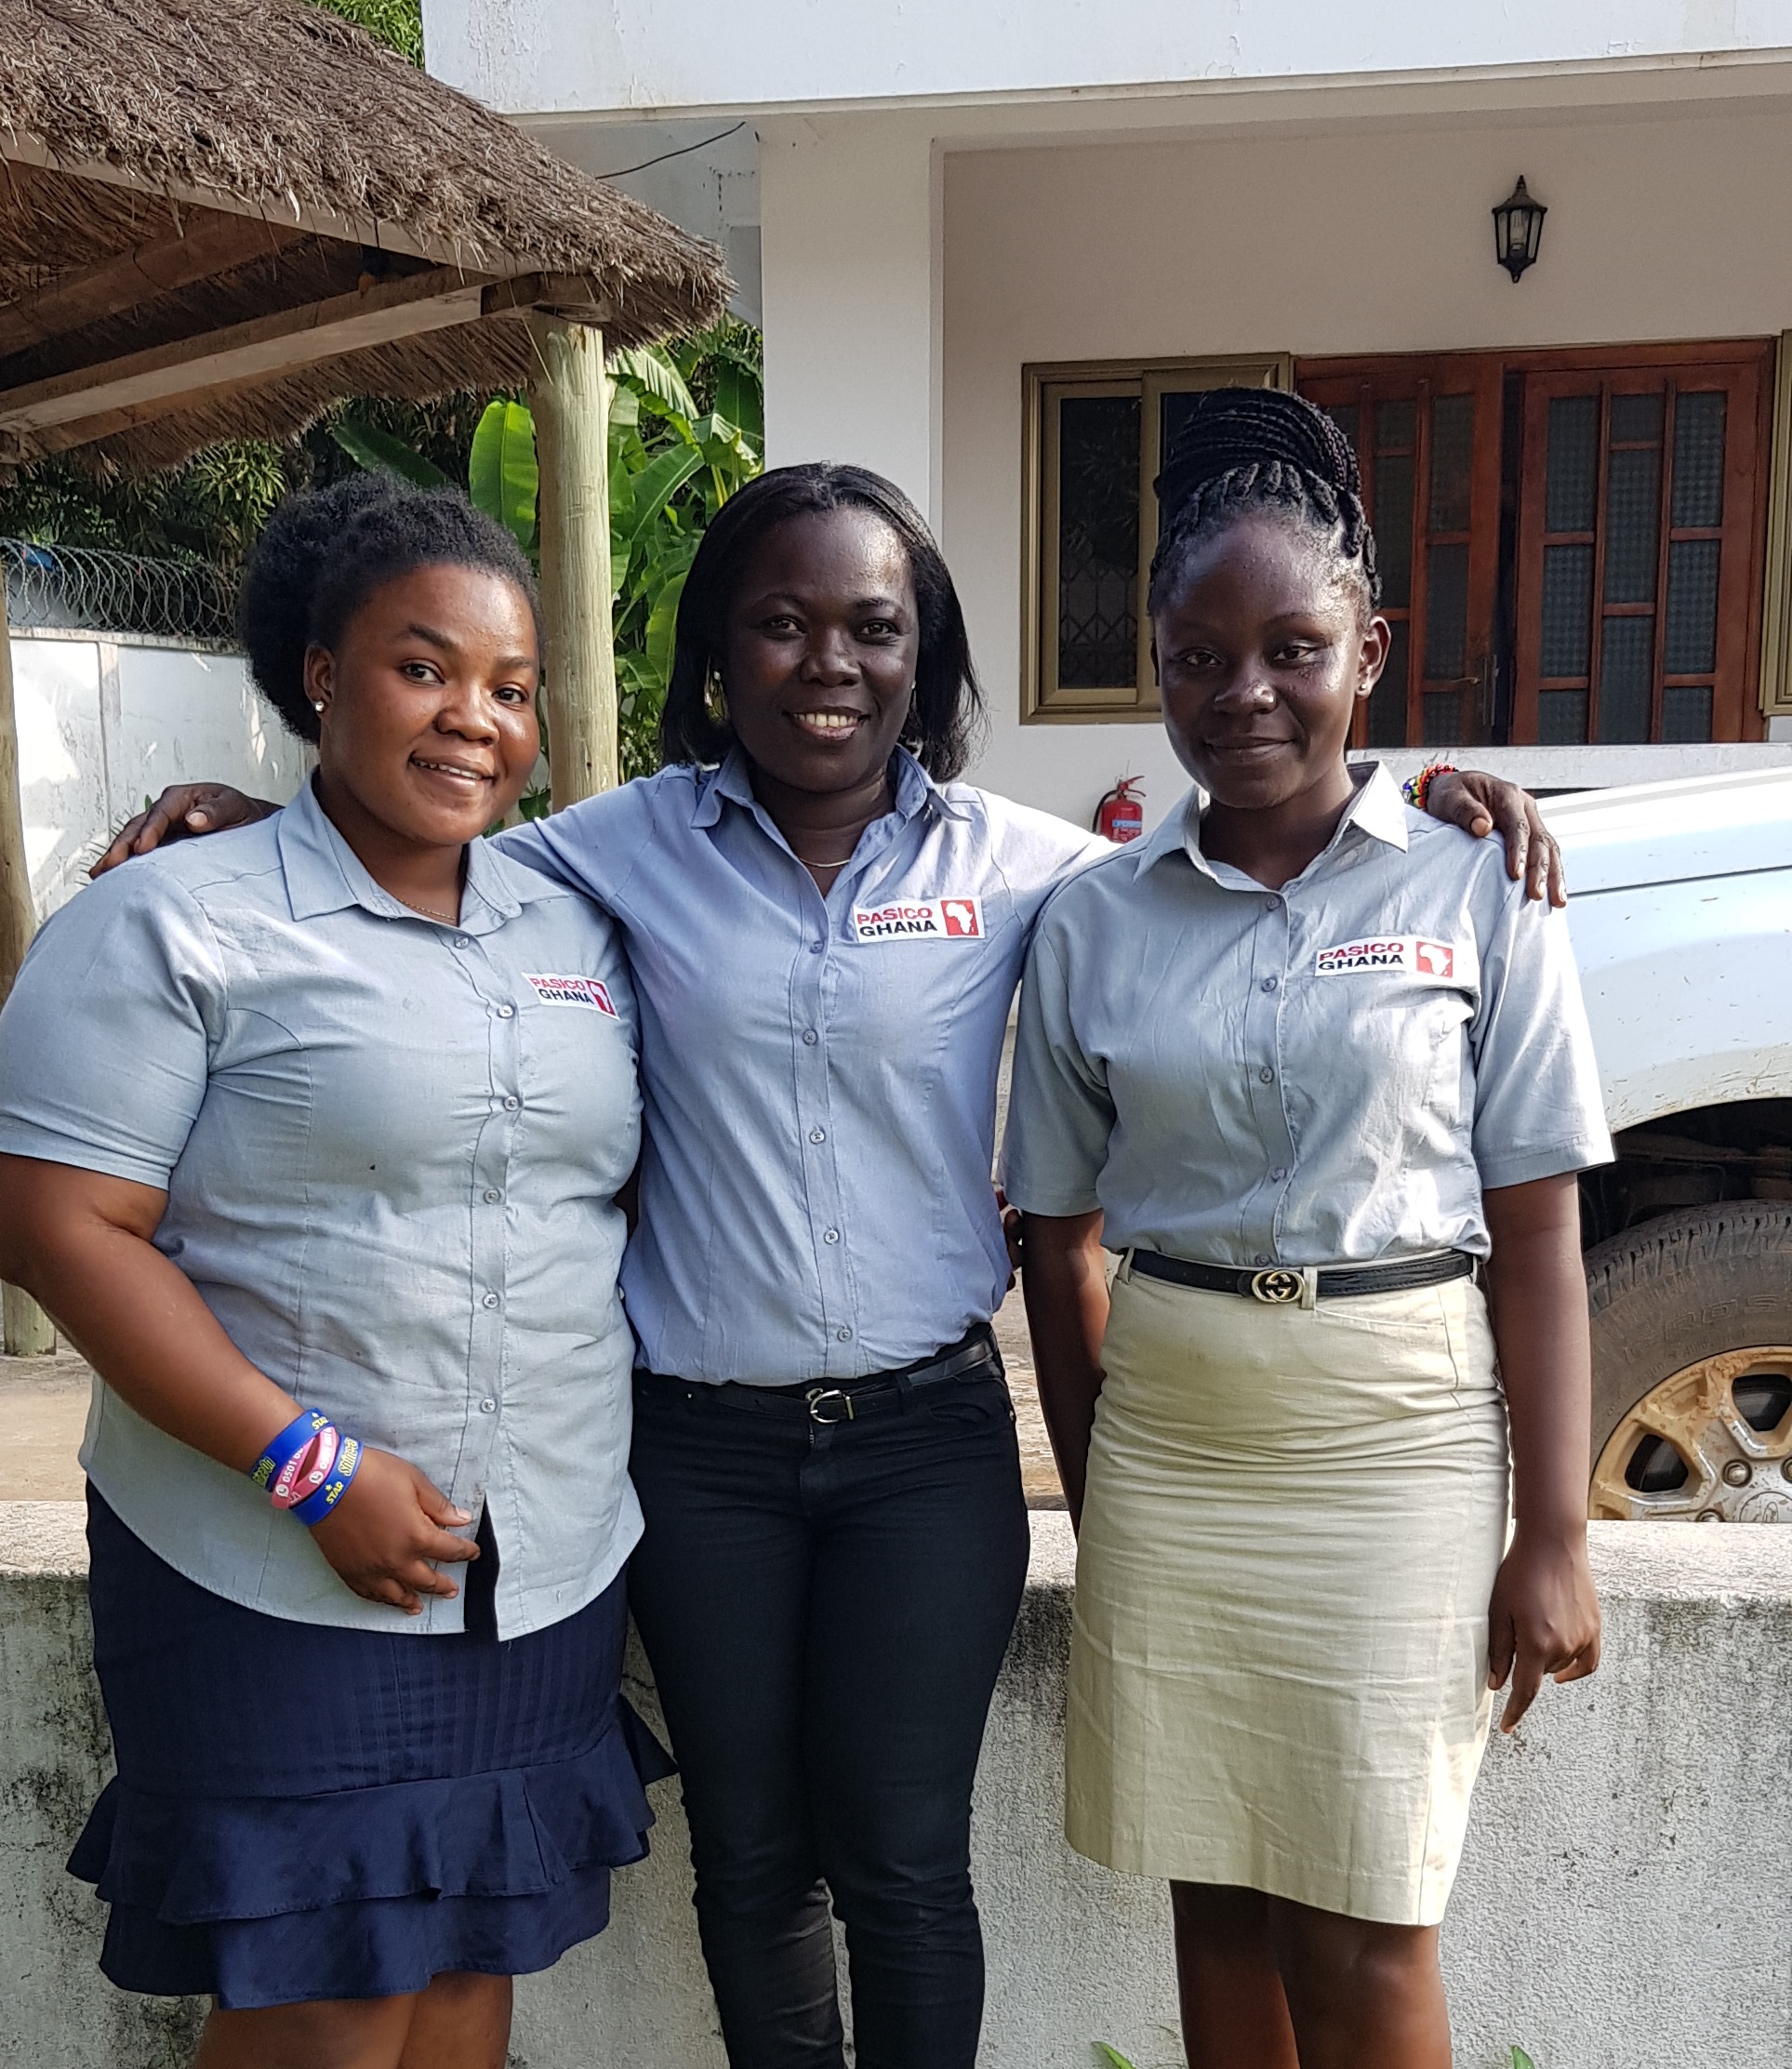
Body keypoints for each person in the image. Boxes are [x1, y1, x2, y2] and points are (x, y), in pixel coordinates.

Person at [93, 462, 1561, 2069]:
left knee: (909, 1863)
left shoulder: (1034, 873)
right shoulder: (600, 856)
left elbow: (1241, 848)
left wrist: (1423, 801)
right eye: (780, 624)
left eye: (875, 625)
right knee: (754, 1861)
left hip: (925, 1447)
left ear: (921, 656)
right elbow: (421, 832)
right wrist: (256, 818)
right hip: (698, 1450)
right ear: (720, 654)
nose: (830, 662)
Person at [0, 479, 666, 2069]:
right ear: (317, 673)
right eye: (422, 669)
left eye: (511, 689)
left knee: (466, 1975)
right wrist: (308, 1463)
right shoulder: (174, 920)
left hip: (537, 1565)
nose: (474, 721)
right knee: (332, 1994)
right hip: (273, 1566)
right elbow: (56, 1225)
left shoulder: (574, 916)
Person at [1006, 390, 1612, 2069]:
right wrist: (1101, 1476)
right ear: (1158, 666)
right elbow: (1055, 1242)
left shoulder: (1481, 882)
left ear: (1371, 650)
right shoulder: (1092, 920)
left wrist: (1555, 1532)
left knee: (1363, 1923)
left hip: (1393, 1440)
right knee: (1219, 1906)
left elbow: (1541, 1234)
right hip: (1174, 1451)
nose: (1244, 692)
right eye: (1199, 656)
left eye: (1291, 647)